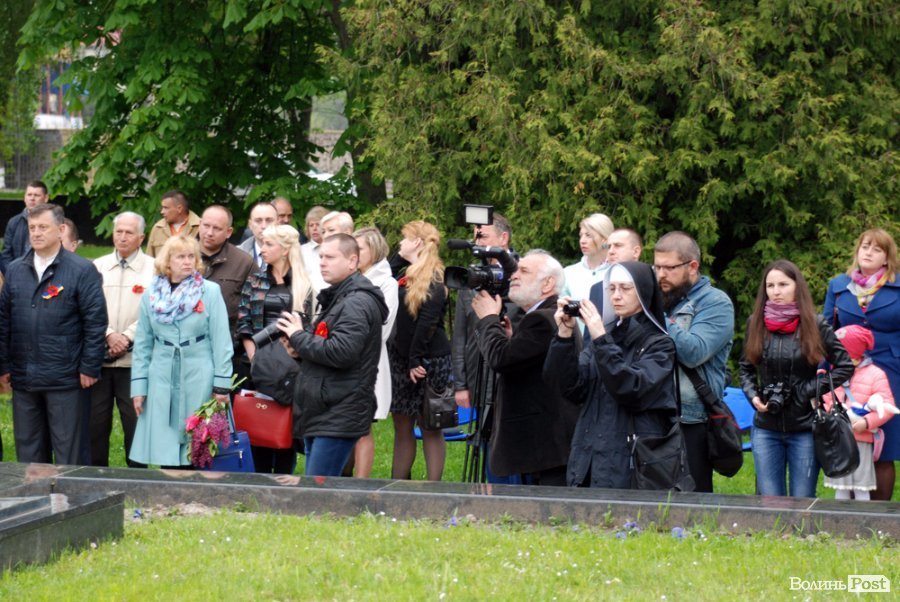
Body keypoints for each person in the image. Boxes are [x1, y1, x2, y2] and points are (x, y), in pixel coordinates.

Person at [544, 261, 678, 488]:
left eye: (625, 288)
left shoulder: (659, 344)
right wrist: (564, 336)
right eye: (612, 288)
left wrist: (600, 337)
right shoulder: (605, 337)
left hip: (633, 462)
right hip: (588, 457)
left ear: (643, 292)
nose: (616, 296)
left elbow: (631, 389)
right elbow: (569, 387)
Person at [0, 203, 107, 464]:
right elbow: (4, 321)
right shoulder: (15, 269)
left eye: (43, 227)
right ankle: (36, 491)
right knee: (29, 454)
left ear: (60, 230)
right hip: (24, 377)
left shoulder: (82, 270)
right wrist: (4, 365)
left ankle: (70, 492)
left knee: (69, 455)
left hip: (66, 378)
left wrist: (89, 366)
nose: (36, 233)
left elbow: (95, 322)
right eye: (32, 227)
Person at [276, 234, 388, 477]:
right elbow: (331, 347)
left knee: (318, 489)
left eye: (330, 257)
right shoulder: (341, 297)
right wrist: (299, 350)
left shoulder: (356, 302)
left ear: (352, 261)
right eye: (321, 257)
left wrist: (298, 336)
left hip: (339, 409)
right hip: (325, 407)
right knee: (317, 487)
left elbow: (342, 352)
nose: (322, 263)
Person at [739, 259, 853, 497]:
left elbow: (844, 366)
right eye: (770, 286)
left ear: (797, 286)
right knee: (771, 500)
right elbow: (746, 368)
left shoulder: (816, 324)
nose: (776, 291)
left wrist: (807, 389)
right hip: (766, 427)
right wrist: (753, 395)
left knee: (802, 501)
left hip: (805, 427)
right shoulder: (755, 323)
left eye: (783, 284)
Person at [471, 250, 579, 485]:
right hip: (546, 444)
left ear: (548, 283)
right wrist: (513, 338)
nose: (514, 275)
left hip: (546, 446)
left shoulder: (542, 319)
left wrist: (488, 319)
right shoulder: (545, 315)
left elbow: (500, 359)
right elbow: (526, 359)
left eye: (524, 271)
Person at [129, 235, 233, 467]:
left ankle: (196, 484)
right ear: (167, 262)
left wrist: (221, 385)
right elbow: (143, 344)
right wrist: (139, 388)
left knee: (198, 440)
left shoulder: (209, 291)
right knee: (164, 444)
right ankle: (170, 482)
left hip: (199, 373)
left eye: (191, 256)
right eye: (180, 257)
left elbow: (221, 341)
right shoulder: (150, 295)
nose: (187, 262)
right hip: (161, 375)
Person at [654, 231, 735, 492]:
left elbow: (695, 352)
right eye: (657, 267)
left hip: (692, 420)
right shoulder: (662, 299)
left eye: (669, 268)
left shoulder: (716, 303)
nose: (661, 275)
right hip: (656, 413)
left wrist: (654, 314)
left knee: (693, 501)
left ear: (692, 266)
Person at [824, 228, 900, 501]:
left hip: (891, 373)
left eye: (877, 249)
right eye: (865, 247)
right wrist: (822, 371)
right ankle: (848, 513)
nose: (869, 252)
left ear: (887, 258)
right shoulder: (838, 286)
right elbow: (827, 332)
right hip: (848, 373)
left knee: (883, 449)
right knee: (849, 439)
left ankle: (879, 517)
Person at [236, 224, 317, 474]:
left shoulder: (304, 283)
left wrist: (294, 353)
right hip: (257, 363)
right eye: (262, 243)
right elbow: (243, 320)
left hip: (291, 366)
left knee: (285, 429)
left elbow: (310, 325)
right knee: (258, 425)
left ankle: (284, 481)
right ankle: (259, 480)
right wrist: (255, 357)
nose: (263, 248)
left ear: (285, 249)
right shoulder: (255, 279)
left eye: (269, 244)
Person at [90, 211, 154, 467]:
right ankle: (95, 479)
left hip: (134, 364)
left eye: (129, 232)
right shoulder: (97, 266)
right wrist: (108, 334)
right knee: (95, 427)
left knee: (135, 426)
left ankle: (137, 479)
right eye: (119, 231)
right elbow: (88, 308)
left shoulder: (155, 269)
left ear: (141, 238)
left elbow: (155, 311)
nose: (123, 237)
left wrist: (127, 337)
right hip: (100, 362)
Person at [389, 221, 451, 481]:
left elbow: (427, 324)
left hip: (428, 359)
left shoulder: (436, 278)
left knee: (430, 425)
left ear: (416, 242)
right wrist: (399, 257)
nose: (400, 244)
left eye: (404, 239)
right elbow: (383, 276)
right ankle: (398, 484)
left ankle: (433, 486)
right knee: (402, 425)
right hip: (401, 357)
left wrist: (415, 361)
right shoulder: (403, 272)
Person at [340, 227, 400, 478]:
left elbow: (382, 329)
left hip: (367, 362)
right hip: (341, 359)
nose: (354, 253)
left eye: (360, 248)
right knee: (341, 426)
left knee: (362, 427)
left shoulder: (387, 283)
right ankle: (340, 478)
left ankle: (360, 484)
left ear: (374, 250)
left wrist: (347, 339)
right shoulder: (347, 278)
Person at [823, 325, 896, 500]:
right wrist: (832, 414)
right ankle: (840, 516)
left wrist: (867, 422)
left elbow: (887, 405)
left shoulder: (875, 374)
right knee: (841, 486)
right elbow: (827, 399)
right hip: (839, 440)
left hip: (861, 439)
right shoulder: (834, 373)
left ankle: (862, 516)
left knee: (861, 486)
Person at [198, 205, 254, 336]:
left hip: (228, 337)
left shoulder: (244, 262)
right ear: (199, 224)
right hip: (185, 340)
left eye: (217, 228)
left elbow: (255, 308)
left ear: (228, 232)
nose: (209, 233)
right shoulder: (181, 256)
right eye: (206, 226)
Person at [585, 228, 644, 331]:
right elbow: (589, 336)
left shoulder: (652, 284)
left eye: (618, 245)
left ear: (636, 252)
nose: (611, 251)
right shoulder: (597, 289)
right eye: (608, 247)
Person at [562, 213, 614, 302]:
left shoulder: (617, 271)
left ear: (605, 239)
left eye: (588, 235)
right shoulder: (568, 273)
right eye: (581, 235)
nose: (582, 241)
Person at [0, 180, 49, 274]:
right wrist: (13, 273)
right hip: (17, 273)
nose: (32, 198)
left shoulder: (54, 222)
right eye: (29, 195)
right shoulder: (14, 222)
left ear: (46, 198)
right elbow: (6, 254)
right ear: (24, 198)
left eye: (36, 195)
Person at [145, 191, 201, 257]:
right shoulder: (158, 228)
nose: (162, 212)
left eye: (166, 208)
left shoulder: (201, 226)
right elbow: (149, 258)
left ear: (179, 208)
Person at [238, 202, 279, 271]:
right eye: (258, 221)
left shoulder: (292, 254)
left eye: (269, 220)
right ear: (250, 225)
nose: (264, 226)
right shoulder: (236, 255)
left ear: (278, 223)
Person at [301, 205, 329, 290]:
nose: (314, 228)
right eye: (311, 225)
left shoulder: (335, 249)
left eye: (318, 224)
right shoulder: (301, 250)